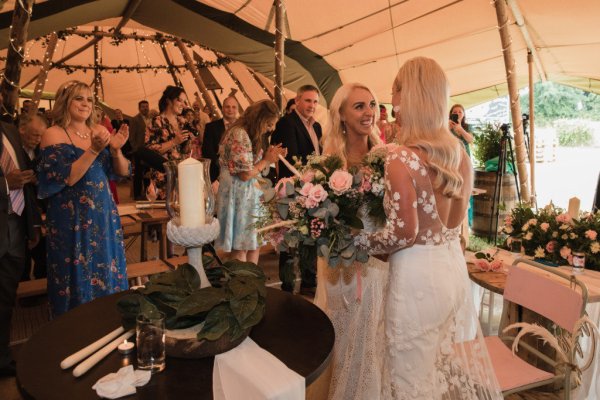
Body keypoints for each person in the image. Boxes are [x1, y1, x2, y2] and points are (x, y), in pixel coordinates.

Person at [354, 57, 502, 399]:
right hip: (451, 272)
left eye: (395, 91)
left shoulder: (402, 157)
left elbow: (403, 233)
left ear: (411, 96)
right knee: (434, 371)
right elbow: (454, 223)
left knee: (407, 381)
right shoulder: (460, 155)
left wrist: (360, 240)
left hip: (417, 277)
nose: (391, 103)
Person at [316, 83, 387, 400]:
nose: (369, 112)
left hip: (379, 266)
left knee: (374, 339)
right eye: (359, 106)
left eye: (371, 104)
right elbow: (317, 223)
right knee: (346, 340)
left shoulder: (384, 158)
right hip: (342, 269)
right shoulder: (328, 164)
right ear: (341, 115)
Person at [37, 80, 130, 316]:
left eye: (89, 99)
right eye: (79, 98)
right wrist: (94, 150)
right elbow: (69, 177)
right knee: (74, 277)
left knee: (105, 271)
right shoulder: (52, 134)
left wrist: (117, 150)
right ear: (65, 102)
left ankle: (107, 327)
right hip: (71, 221)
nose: (85, 104)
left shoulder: (97, 132)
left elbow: (121, 172)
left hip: (102, 217)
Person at [216, 100, 286, 264]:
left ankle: (251, 283)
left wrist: (270, 155)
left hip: (247, 195)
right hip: (239, 195)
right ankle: (240, 285)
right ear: (260, 119)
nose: (271, 129)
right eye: (269, 124)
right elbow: (245, 174)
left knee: (253, 244)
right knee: (240, 248)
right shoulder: (240, 134)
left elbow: (251, 165)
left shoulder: (247, 133)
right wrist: (267, 160)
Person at [1, 112, 41, 377]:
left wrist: (34, 224)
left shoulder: (9, 130)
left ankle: (2, 358)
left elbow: (26, 179)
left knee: (5, 301)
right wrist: (4, 183)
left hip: (15, 232)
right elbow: (12, 180)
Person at [271, 85, 322, 294]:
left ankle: (309, 282)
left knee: (311, 234)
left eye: (315, 102)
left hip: (313, 188)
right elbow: (292, 159)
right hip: (292, 188)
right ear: (298, 101)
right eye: (308, 101)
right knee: (289, 237)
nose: (311, 105)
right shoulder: (287, 123)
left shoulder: (317, 126)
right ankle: (288, 285)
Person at [145, 86, 190, 200]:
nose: (183, 105)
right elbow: (150, 151)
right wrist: (174, 141)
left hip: (182, 175)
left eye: (184, 101)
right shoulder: (157, 121)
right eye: (179, 100)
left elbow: (183, 150)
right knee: (166, 214)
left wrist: (190, 143)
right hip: (164, 176)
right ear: (169, 100)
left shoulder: (182, 122)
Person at [18, 113, 48, 280]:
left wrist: (38, 181)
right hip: (19, 210)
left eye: (41, 136)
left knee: (43, 251)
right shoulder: (10, 150)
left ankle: (41, 285)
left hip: (39, 208)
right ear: (22, 129)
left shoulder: (40, 151)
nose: (39, 139)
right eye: (36, 134)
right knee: (23, 253)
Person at [202, 96, 239, 183]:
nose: (230, 110)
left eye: (233, 107)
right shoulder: (211, 127)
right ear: (222, 109)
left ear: (237, 110)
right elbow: (207, 150)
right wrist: (222, 165)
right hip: (217, 174)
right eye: (227, 107)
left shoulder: (244, 127)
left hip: (239, 174)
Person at [449, 103, 474, 226]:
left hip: (465, 161)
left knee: (466, 187)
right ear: (451, 114)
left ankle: (466, 221)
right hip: (452, 161)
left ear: (463, 114)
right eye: (455, 112)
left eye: (460, 112)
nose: (458, 114)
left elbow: (470, 139)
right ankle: (453, 217)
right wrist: (448, 128)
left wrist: (461, 129)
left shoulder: (467, 127)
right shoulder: (446, 126)